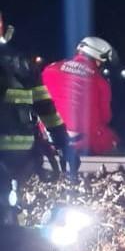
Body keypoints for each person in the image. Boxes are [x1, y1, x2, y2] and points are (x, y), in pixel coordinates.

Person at [0, 11, 78, 178]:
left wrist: (62, 142)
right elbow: (45, 107)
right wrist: (62, 143)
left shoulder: (19, 61)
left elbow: (44, 105)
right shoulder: (19, 61)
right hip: (19, 158)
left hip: (19, 159)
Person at [41, 36, 119, 155]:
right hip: (82, 140)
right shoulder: (100, 81)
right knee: (111, 139)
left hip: (49, 135)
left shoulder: (50, 69)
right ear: (98, 58)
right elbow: (105, 117)